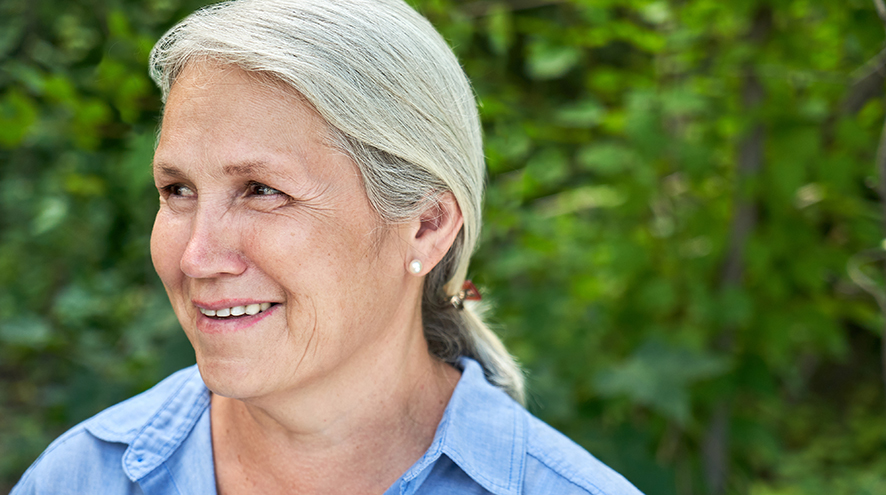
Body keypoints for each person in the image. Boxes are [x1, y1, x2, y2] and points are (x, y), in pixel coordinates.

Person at [12, 0, 642, 493]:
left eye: (261, 190)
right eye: (177, 189)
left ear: (426, 224)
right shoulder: (80, 478)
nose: (196, 257)